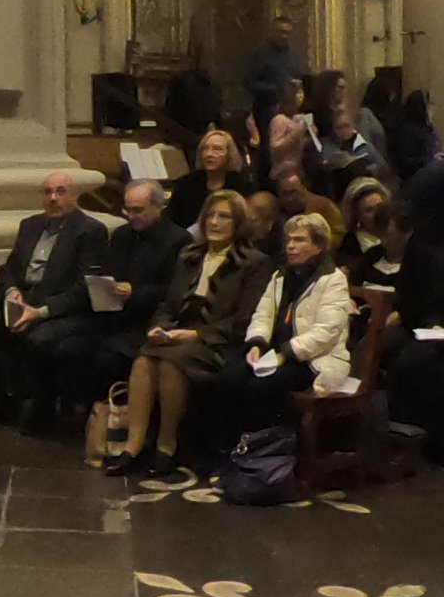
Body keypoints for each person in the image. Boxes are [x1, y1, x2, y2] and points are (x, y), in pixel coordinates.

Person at [103, 190, 270, 476]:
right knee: (144, 359)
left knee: (171, 362)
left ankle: (167, 445)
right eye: (210, 216)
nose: (214, 222)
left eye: (224, 216)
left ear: (238, 223)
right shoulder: (189, 256)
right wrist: (159, 328)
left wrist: (194, 335)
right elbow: (168, 305)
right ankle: (133, 446)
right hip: (178, 336)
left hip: (218, 341)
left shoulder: (254, 263)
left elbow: (242, 320)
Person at [0, 171, 108, 429]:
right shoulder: (30, 225)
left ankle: (43, 407)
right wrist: (10, 290)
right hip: (22, 301)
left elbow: (85, 286)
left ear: (73, 196)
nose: (53, 198)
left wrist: (40, 312)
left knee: (39, 339)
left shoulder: (90, 230)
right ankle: (2, 400)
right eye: (48, 192)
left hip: (57, 308)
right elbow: (9, 268)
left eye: (60, 192)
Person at [217, 213, 351, 442]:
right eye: (289, 239)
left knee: (262, 387)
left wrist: (285, 354)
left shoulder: (333, 279)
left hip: (314, 359)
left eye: (299, 240)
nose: (290, 246)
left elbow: (326, 331)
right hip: (274, 354)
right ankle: (230, 447)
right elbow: (263, 314)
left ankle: (263, 449)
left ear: (318, 246)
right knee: (229, 376)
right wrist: (257, 343)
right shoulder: (280, 275)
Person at [57, 180, 189, 407]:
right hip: (114, 314)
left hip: (148, 320)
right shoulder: (122, 235)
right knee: (66, 345)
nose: (130, 216)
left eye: (138, 210)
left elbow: (174, 290)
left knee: (108, 356)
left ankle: (110, 412)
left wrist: (135, 292)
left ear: (158, 206)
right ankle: (83, 411)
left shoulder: (179, 241)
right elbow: (108, 270)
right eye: (127, 210)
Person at [384, 211, 444, 460]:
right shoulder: (421, 245)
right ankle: (404, 439)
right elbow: (413, 292)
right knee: (400, 359)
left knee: (416, 363)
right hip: (426, 326)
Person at [166, 129, 253, 230]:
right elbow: (171, 220)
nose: (209, 154)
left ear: (229, 154)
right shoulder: (186, 184)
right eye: (205, 149)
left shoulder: (242, 187)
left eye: (217, 149)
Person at [243, 12, 309, 123]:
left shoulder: (294, 56)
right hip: (266, 110)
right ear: (272, 31)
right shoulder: (259, 54)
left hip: (291, 111)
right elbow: (248, 82)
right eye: (280, 32)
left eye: (287, 33)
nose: (284, 36)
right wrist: (276, 89)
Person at [266, 167, 344, 253]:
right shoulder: (273, 209)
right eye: (285, 193)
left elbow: (339, 234)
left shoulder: (324, 206)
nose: (290, 198)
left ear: (304, 188)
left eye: (294, 192)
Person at [336, 178, 392, 275]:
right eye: (369, 210)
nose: (377, 213)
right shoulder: (350, 248)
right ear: (357, 216)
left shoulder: (400, 233)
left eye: (380, 206)